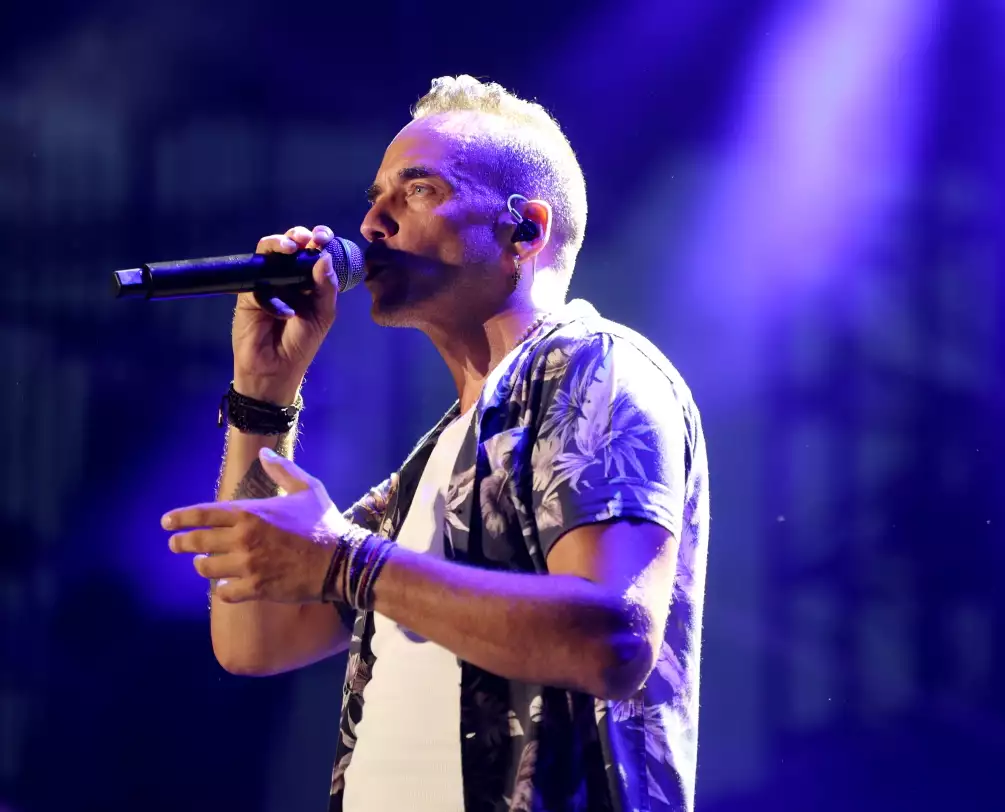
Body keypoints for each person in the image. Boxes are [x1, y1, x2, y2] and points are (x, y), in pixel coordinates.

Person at [163, 75, 709, 812]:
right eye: (374, 198)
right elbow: (254, 638)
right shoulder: (432, 464)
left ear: (525, 231)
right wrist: (264, 391)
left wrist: (349, 562)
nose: (371, 224)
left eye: (418, 190)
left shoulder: (594, 367)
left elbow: (612, 640)